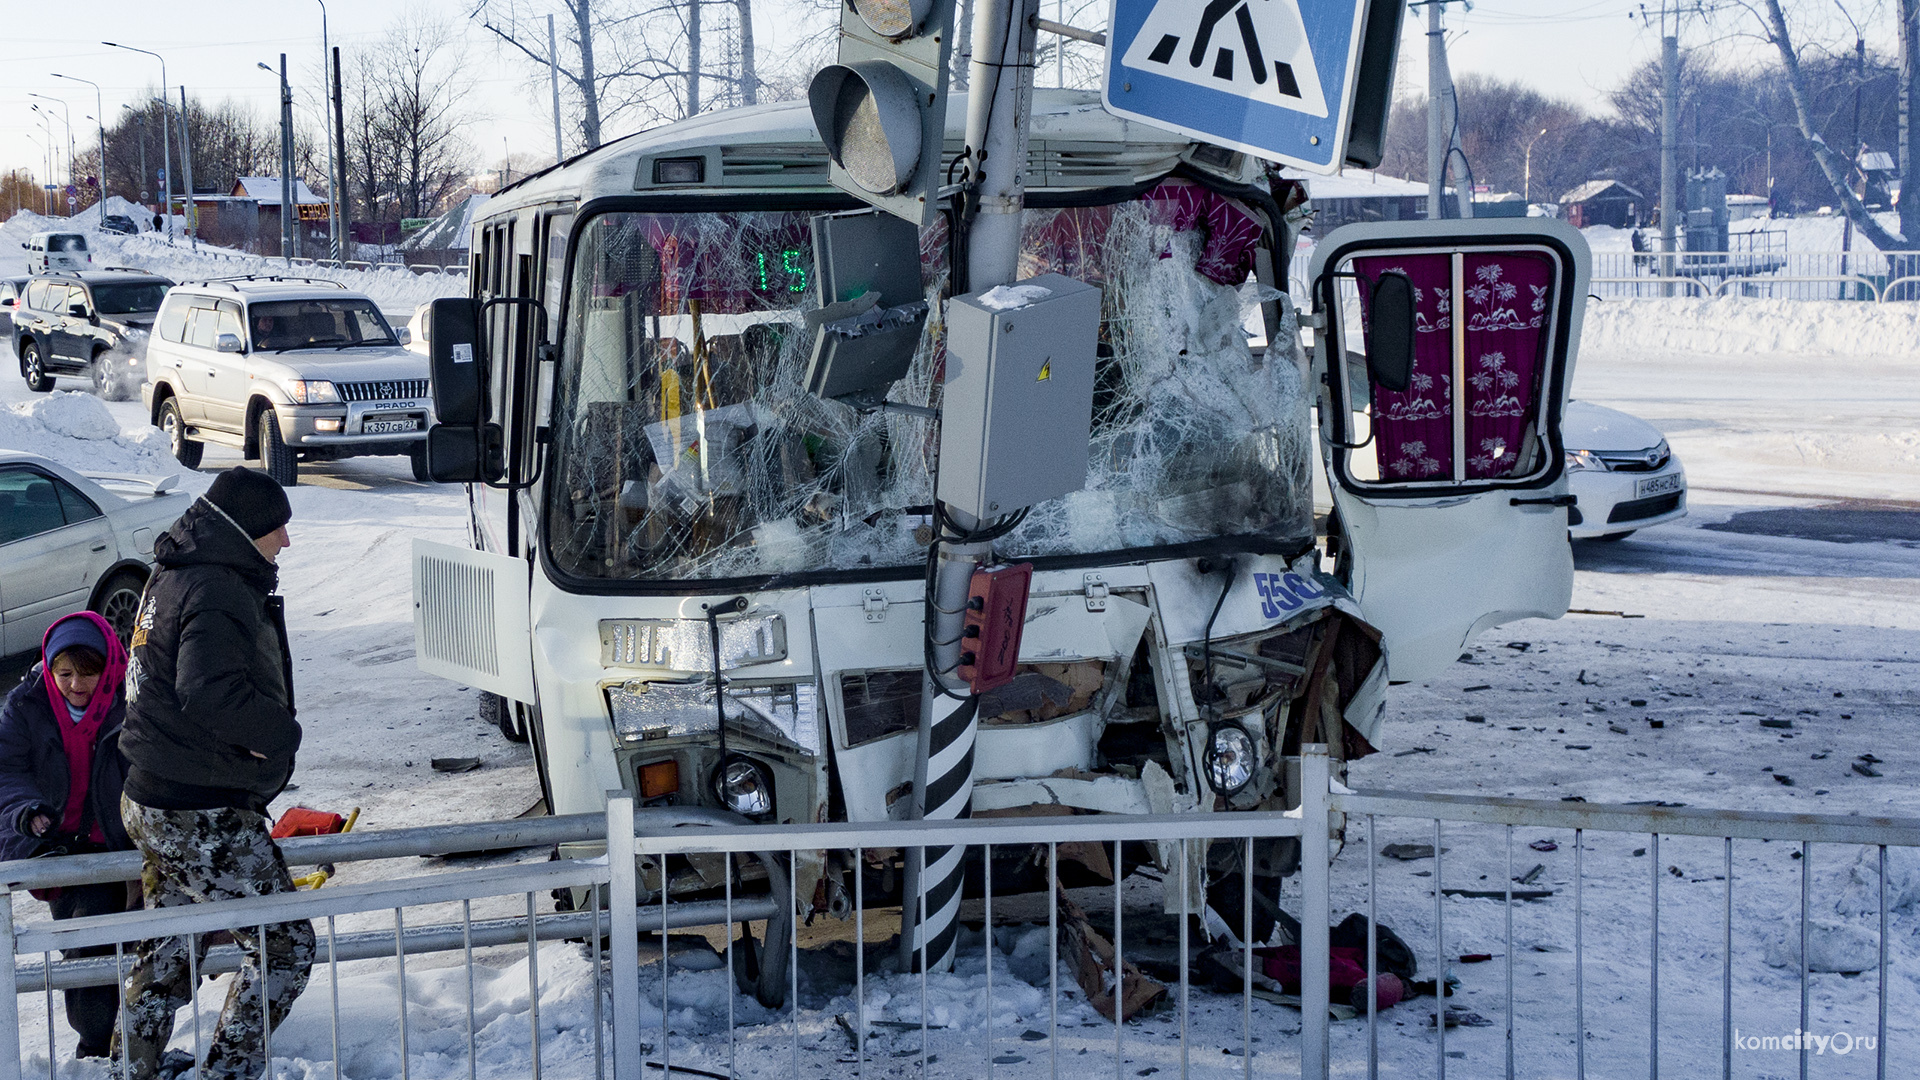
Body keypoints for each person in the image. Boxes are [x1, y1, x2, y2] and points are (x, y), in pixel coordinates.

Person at [114, 467, 313, 1080]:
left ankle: (132, 1070)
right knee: (285, 948)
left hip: (150, 795)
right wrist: (281, 735)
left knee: (169, 950)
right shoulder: (217, 585)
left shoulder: (172, 571)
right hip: (198, 810)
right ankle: (226, 1074)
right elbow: (207, 691)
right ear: (246, 528)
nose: (284, 540)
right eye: (276, 527)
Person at [0, 612, 140, 1059]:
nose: (77, 685)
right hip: (61, 850)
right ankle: (97, 1047)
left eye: (88, 673)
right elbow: (7, 770)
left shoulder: (132, 699)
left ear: (109, 668)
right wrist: (26, 812)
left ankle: (133, 1042)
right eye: (65, 674)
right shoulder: (27, 705)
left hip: (121, 842)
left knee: (140, 944)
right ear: (49, 667)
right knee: (87, 949)